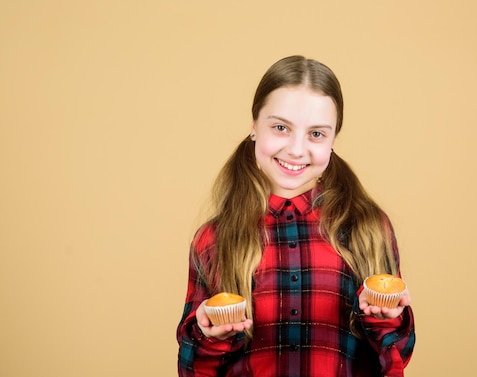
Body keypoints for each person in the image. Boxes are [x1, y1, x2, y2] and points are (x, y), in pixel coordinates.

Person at [176, 55, 415, 376]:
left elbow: (398, 357)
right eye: (280, 127)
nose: (297, 149)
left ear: (332, 141)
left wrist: (388, 319)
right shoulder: (214, 239)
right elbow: (191, 368)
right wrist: (207, 333)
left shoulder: (368, 228)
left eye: (316, 134)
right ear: (253, 127)